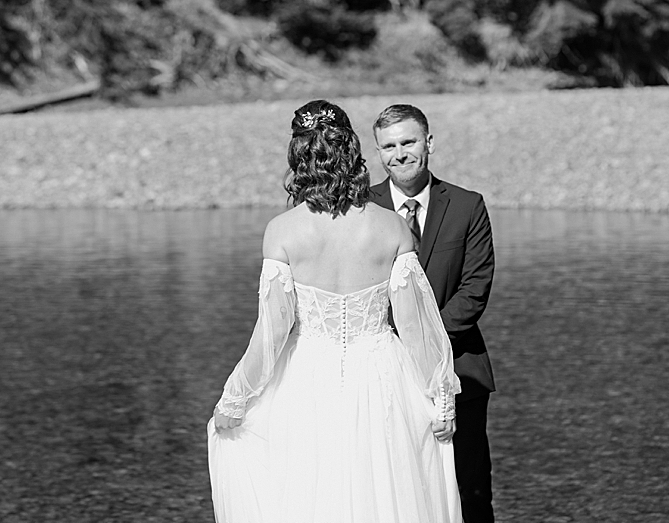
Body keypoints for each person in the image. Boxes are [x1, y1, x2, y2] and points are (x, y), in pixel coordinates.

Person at [207, 100, 464, 523]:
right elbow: (416, 328)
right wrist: (441, 398)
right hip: (384, 379)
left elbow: (272, 333)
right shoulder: (393, 228)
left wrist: (235, 398)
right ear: (353, 153)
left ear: (298, 159)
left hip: (307, 383)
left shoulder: (282, 232)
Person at [370, 104, 496, 523]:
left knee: (470, 491)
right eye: (388, 146)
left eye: (408, 142)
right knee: (398, 491)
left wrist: (423, 344)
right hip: (384, 373)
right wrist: (394, 348)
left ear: (429, 143)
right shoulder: (360, 210)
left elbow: (474, 290)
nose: (399, 153)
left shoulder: (467, 205)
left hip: (460, 370)